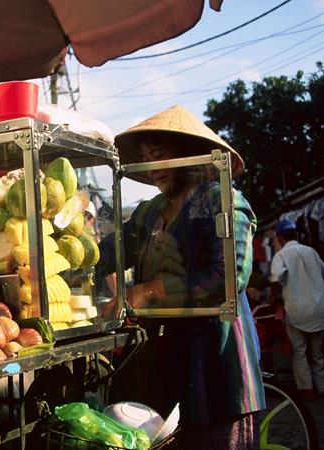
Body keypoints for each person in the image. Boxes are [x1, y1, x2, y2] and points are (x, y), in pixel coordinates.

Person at [96, 105, 265, 449]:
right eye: (146, 158)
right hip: (168, 354)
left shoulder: (221, 200)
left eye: (160, 155)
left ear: (187, 155)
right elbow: (111, 250)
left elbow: (227, 277)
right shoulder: (150, 211)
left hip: (218, 355)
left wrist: (150, 290)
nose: (154, 168)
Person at [268, 219, 324, 401]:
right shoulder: (311, 252)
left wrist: (274, 299)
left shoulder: (281, 255)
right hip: (319, 309)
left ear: (280, 238)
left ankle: (307, 391)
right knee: (317, 354)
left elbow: (276, 279)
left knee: (299, 352)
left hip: (296, 310)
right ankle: (322, 388)